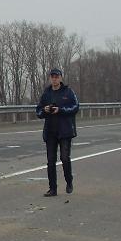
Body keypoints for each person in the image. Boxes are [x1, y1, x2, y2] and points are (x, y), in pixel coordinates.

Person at [36, 68, 80, 197]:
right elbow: (38, 111)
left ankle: (69, 181)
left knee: (65, 158)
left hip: (65, 131)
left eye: (56, 76)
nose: (54, 79)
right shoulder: (46, 93)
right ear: (50, 78)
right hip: (50, 131)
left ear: (60, 78)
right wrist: (45, 109)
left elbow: (75, 107)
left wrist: (60, 110)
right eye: (52, 76)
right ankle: (52, 189)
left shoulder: (68, 91)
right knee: (50, 161)